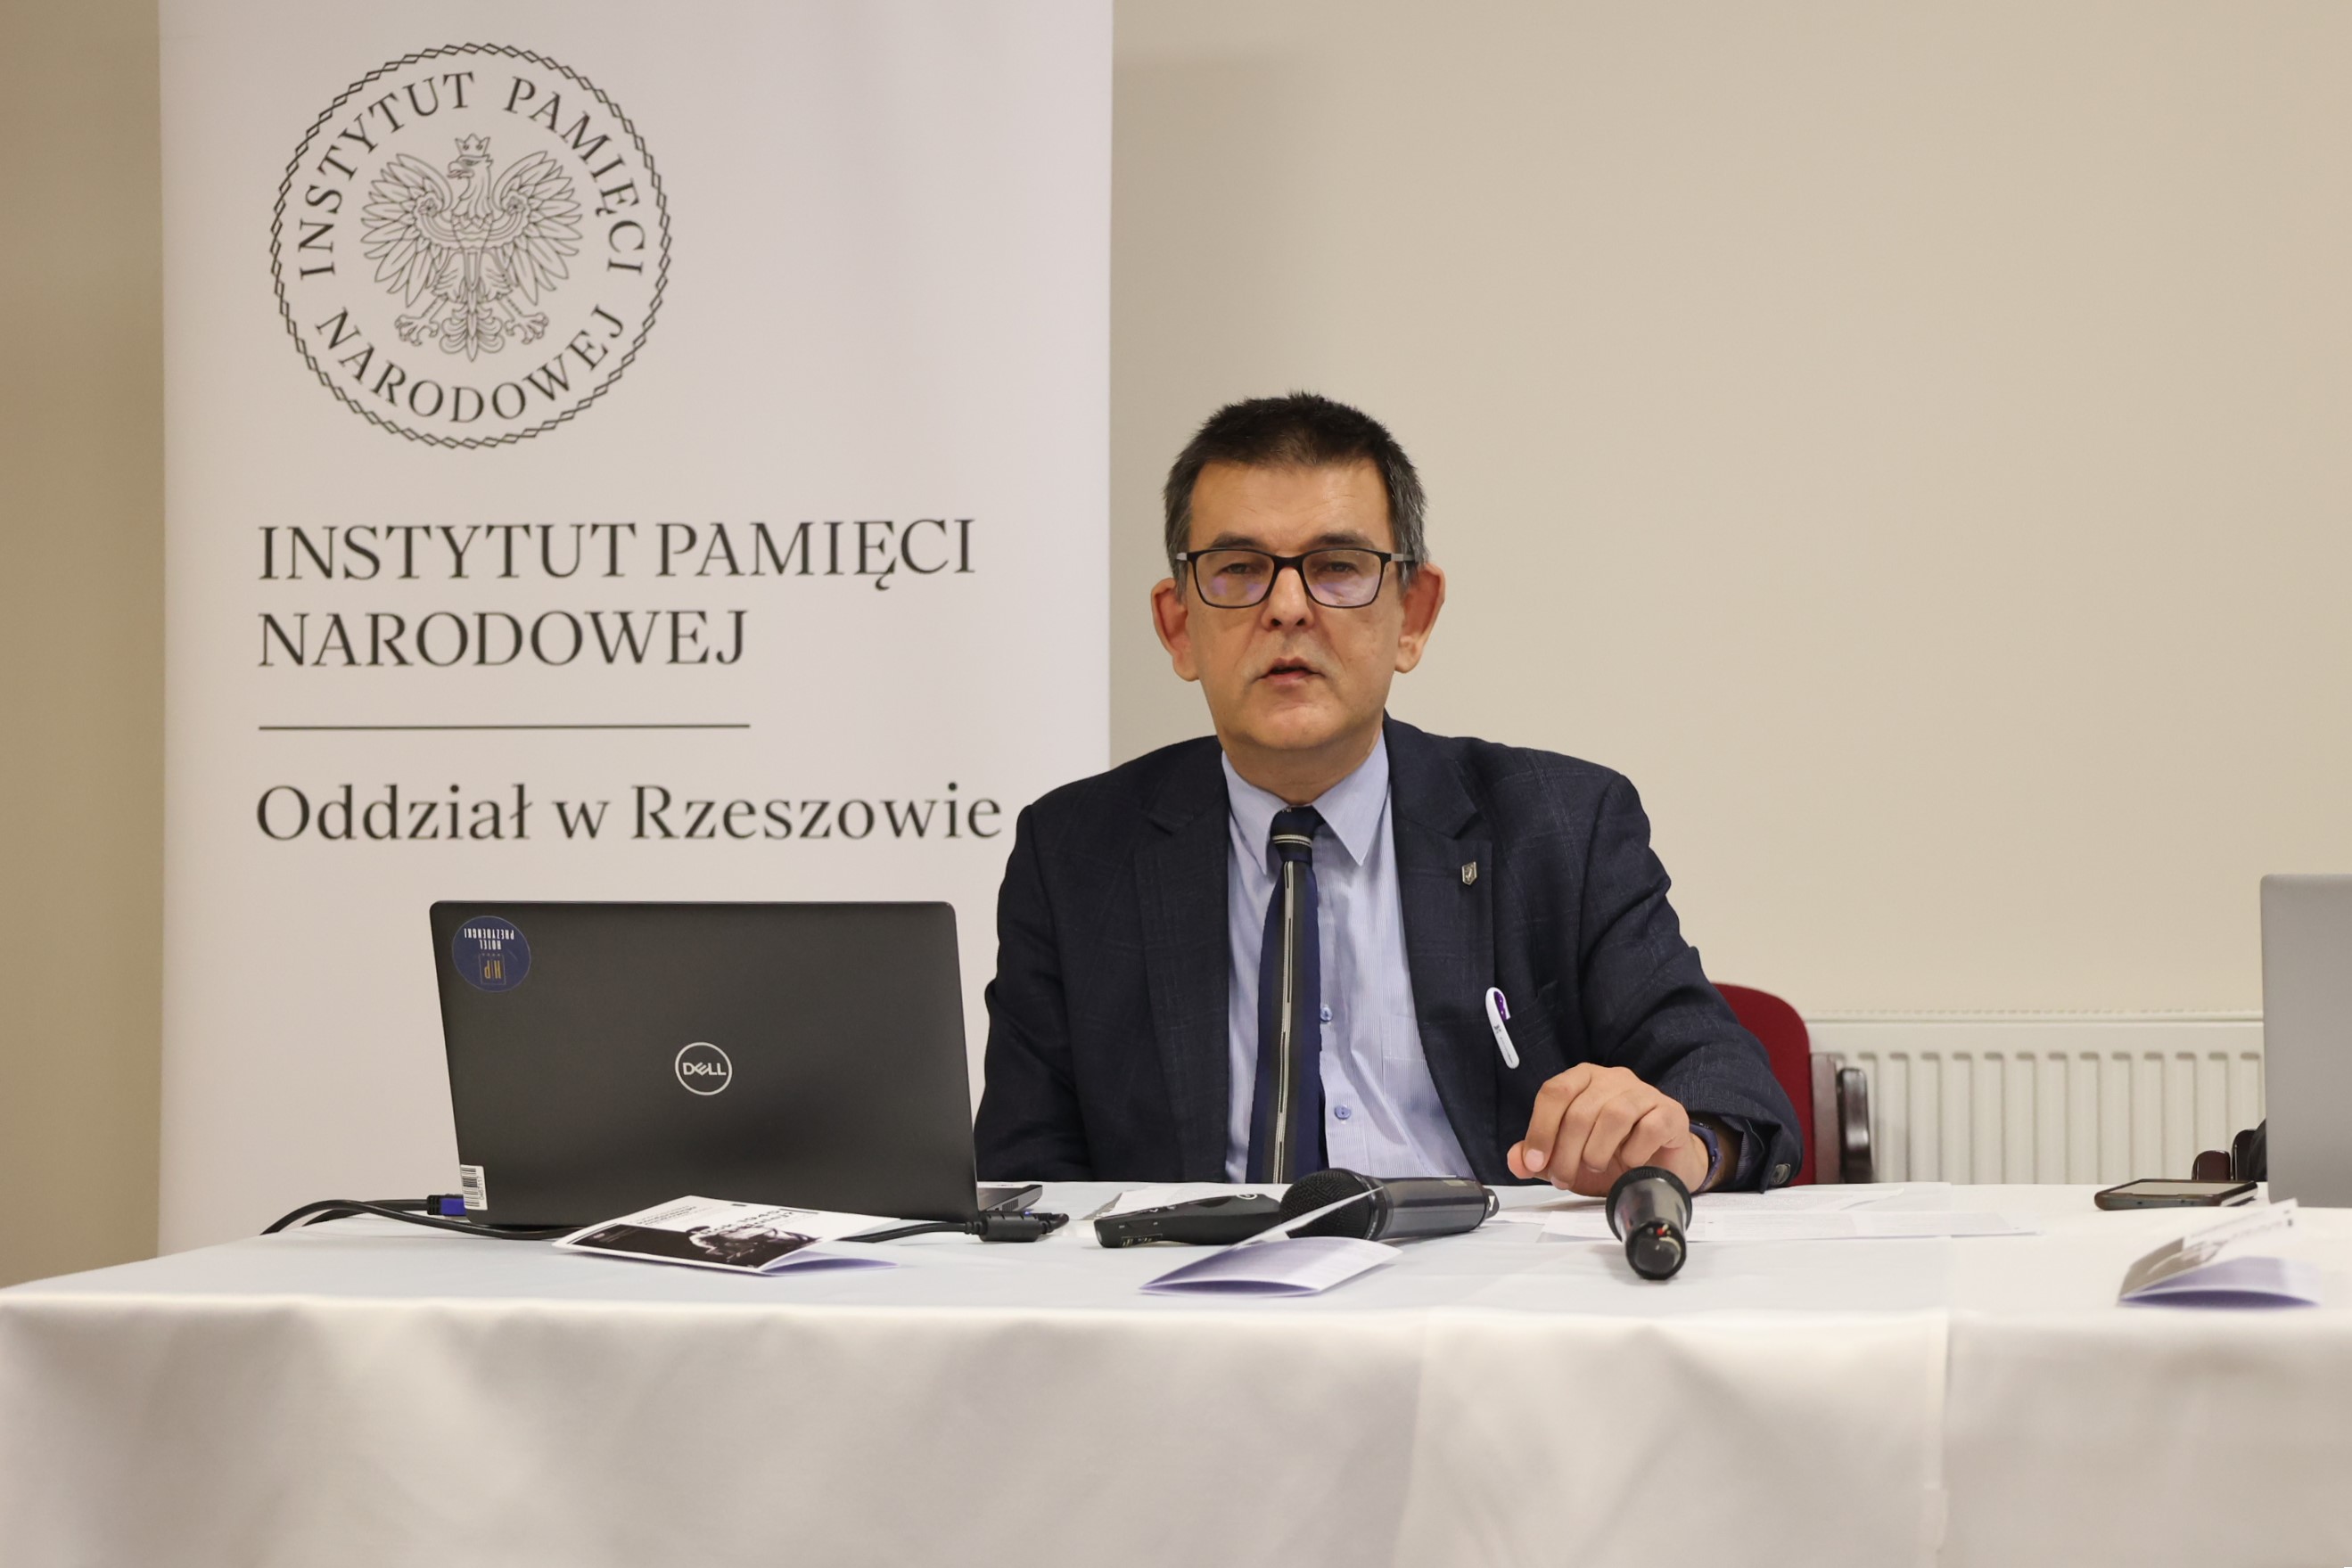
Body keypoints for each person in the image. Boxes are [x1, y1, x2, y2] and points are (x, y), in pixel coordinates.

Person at [975, 393, 1800, 1194]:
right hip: (1191, 1284)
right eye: (1239, 570)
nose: (1288, 608)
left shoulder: (1560, 827)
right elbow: (1022, 1177)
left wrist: (1680, 1144)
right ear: (1178, 625)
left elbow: (1728, 1086)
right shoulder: (1075, 853)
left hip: (1483, 1279)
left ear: (1414, 614)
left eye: (1337, 568)